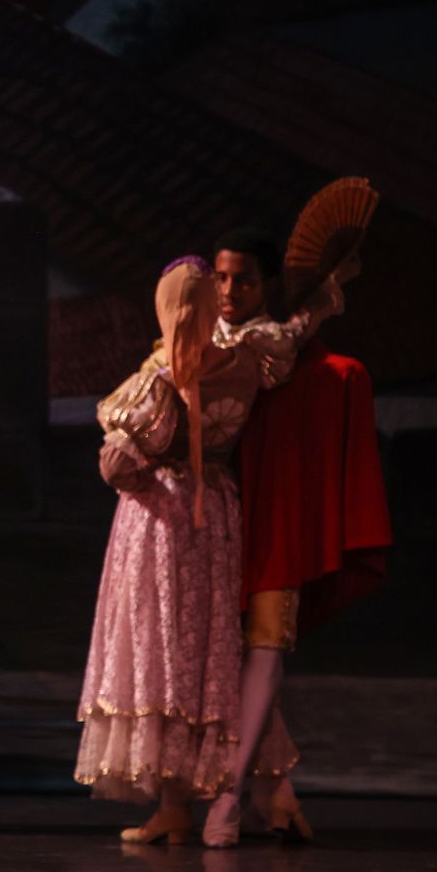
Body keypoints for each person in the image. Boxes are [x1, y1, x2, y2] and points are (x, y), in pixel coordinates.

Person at [74, 256, 341, 847]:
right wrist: (317, 307)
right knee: (202, 658)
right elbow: (289, 339)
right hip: (215, 514)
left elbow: (117, 464)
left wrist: (137, 474)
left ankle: (173, 805)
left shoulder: (165, 376)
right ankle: (223, 798)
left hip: (164, 521)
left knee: (164, 654)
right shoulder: (246, 358)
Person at [201, 229, 391, 845]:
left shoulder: (270, 347)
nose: (229, 291)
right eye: (222, 278)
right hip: (210, 521)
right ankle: (268, 789)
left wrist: (326, 297)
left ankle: (230, 795)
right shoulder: (208, 338)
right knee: (211, 658)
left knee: (262, 650)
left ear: (267, 287)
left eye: (245, 281)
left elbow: (279, 344)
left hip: (266, 517)